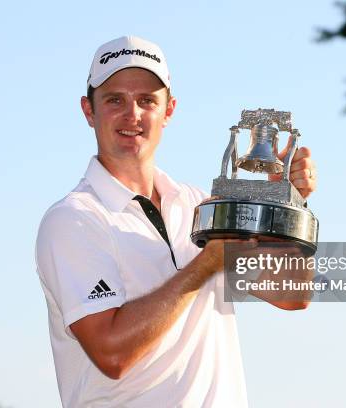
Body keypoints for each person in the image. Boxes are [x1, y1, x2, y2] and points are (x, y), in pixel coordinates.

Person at [35, 35, 317, 407]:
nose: (132, 115)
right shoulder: (73, 219)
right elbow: (111, 354)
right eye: (115, 99)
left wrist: (289, 205)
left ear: (169, 110)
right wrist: (205, 265)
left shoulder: (198, 204)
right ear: (89, 110)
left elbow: (292, 294)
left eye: (147, 101)